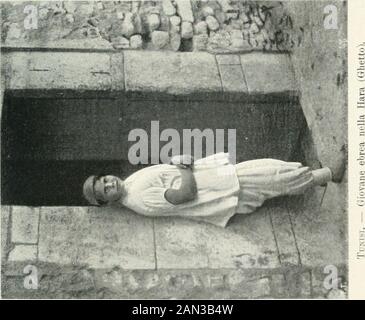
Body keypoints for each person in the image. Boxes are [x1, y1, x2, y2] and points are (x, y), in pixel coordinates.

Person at [83, 153, 345, 227]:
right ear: (107, 202)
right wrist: (183, 167)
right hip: (223, 190)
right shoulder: (139, 199)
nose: (109, 183)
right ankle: (330, 174)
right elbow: (184, 195)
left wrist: (176, 164)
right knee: (274, 175)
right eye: (104, 190)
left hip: (221, 180)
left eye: (104, 179)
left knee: (271, 171)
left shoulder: (128, 185)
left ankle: (316, 177)